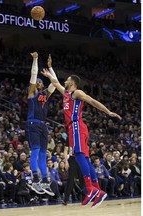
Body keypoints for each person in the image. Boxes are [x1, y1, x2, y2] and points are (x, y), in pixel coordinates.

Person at [41, 65, 122, 208]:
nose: (64, 82)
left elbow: (92, 101)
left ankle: (90, 189)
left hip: (77, 126)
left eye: (67, 80)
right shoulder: (66, 94)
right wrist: (49, 74)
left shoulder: (77, 93)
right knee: (84, 159)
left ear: (72, 83)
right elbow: (56, 83)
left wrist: (108, 112)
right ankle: (98, 191)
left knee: (78, 156)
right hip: (76, 128)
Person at [27, 52, 58, 196]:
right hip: (33, 123)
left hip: (43, 125)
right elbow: (33, 74)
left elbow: (55, 82)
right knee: (35, 151)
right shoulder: (32, 93)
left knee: (44, 154)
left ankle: (45, 181)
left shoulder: (46, 94)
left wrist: (50, 68)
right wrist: (36, 59)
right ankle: (35, 180)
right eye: (37, 81)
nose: (38, 82)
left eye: (40, 81)